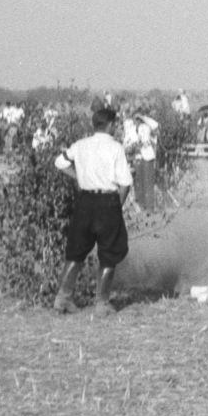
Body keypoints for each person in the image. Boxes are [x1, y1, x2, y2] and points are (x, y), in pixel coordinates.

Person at [53, 108, 134, 315]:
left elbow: (59, 162)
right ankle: (102, 303)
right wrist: (117, 206)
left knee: (76, 251)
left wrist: (79, 177)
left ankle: (63, 298)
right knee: (109, 253)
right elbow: (125, 183)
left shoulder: (80, 145)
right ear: (111, 125)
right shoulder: (115, 148)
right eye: (115, 124)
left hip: (84, 202)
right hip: (107, 202)